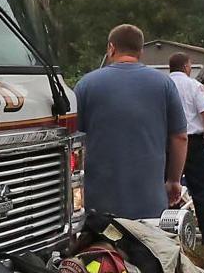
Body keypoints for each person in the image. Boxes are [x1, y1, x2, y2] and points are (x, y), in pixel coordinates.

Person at [75, 24, 187, 220]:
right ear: (141, 51)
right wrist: (173, 181)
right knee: (147, 248)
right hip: (149, 201)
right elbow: (180, 137)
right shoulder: (164, 84)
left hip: (98, 203)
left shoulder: (86, 85)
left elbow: (74, 140)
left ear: (111, 48)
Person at [169, 52, 204, 244]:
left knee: (169, 186)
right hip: (192, 141)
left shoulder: (162, 86)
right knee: (200, 187)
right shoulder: (194, 86)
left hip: (167, 142)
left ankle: (170, 232)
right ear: (186, 67)